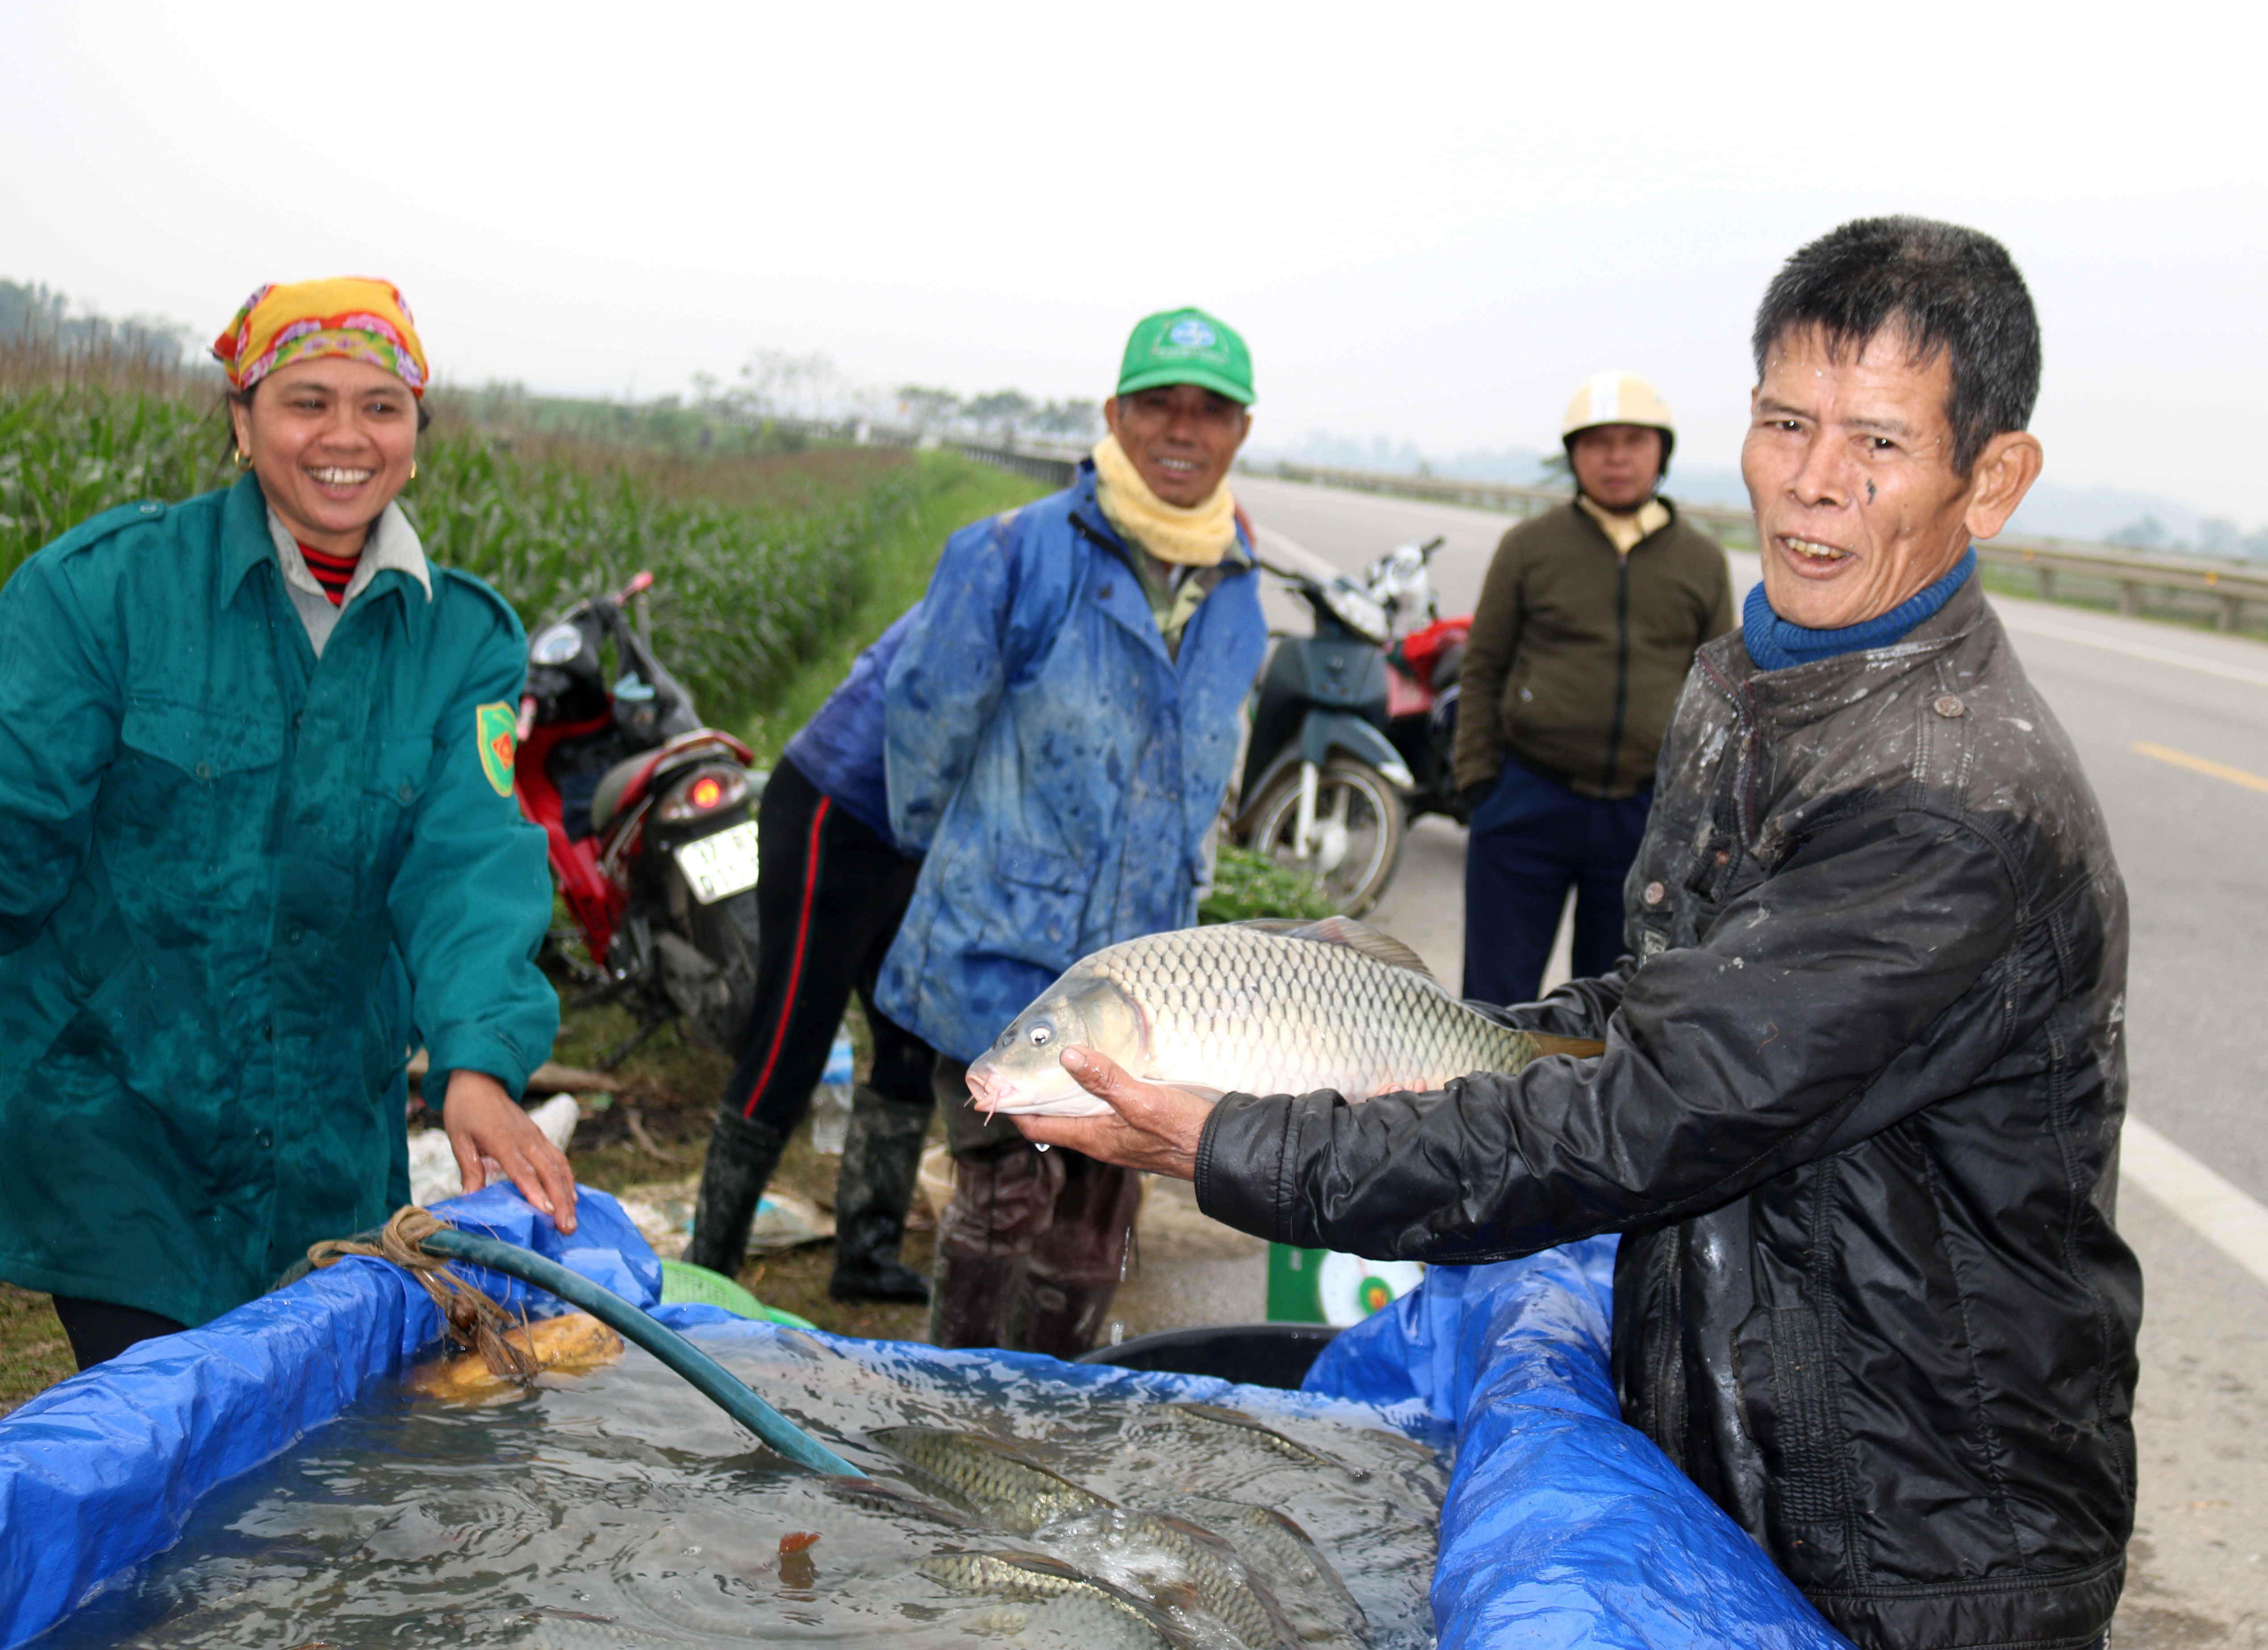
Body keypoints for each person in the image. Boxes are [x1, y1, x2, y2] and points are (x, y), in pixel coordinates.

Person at [1016, 219, 2136, 1650]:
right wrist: (1417, 1047)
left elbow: (1653, 1119)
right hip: (1746, 1440)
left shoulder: (1950, 807)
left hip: (1920, 1527)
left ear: (1993, 482)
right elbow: (1673, 1012)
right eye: (1787, 422)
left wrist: (1230, 1142)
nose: (1812, 484)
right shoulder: (1770, 679)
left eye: (1877, 444)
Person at [0, 278, 574, 1370]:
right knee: (167, 1436)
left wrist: (477, 1063)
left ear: (416, 430)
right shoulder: (103, 593)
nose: (344, 438)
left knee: (299, 1474)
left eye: (381, 405)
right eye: (307, 401)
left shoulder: (461, 641)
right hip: (121, 1127)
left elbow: (469, 864)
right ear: (241, 419)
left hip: (327, 1140)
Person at [875, 307, 1267, 1357]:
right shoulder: (1014, 555)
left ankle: (1051, 1423)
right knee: (999, 1203)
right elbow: (922, 732)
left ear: (1240, 431)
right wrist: (961, 870)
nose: (1181, 431)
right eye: (1158, 406)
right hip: (994, 956)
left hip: (1145, 979)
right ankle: (951, 1417)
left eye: (1209, 412)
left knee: (1099, 1225)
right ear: (1114, 415)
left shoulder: (1238, 586)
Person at [1454, 371, 1733, 1004]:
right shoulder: (1529, 547)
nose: (1615, 457)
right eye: (1597, 442)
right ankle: (1481, 1105)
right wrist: (1480, 783)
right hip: (1527, 800)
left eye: (1634, 440)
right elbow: (1484, 665)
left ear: (1662, 451)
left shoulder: (1701, 561)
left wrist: (1698, 814)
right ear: (1573, 455)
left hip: (1645, 818)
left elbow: (1721, 699)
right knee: (1494, 1000)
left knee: (1616, 1004)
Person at [684, 608, 939, 1300]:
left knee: (911, 1035)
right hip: (836, 809)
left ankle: (867, 1256)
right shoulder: (1005, 574)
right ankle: (706, 1275)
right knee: (789, 1047)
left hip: (906, 832)